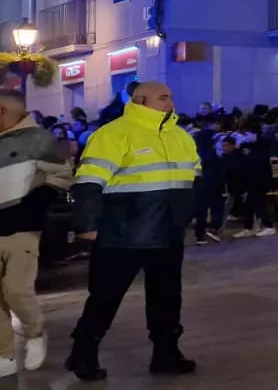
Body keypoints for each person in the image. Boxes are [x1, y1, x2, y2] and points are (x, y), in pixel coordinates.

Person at [66, 82, 199, 380]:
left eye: (171, 96)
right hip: (121, 235)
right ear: (140, 100)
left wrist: (187, 216)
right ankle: (83, 354)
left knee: (167, 299)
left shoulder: (181, 137)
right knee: (104, 298)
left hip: (166, 234)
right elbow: (88, 182)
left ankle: (166, 353)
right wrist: (87, 225)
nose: (170, 102)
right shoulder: (113, 134)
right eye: (163, 97)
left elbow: (193, 180)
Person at [0, 90, 70, 375]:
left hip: (21, 229)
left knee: (17, 290)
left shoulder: (40, 138)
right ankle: (4, 355)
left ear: (5, 111)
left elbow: (64, 173)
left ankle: (34, 333)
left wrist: (40, 198)